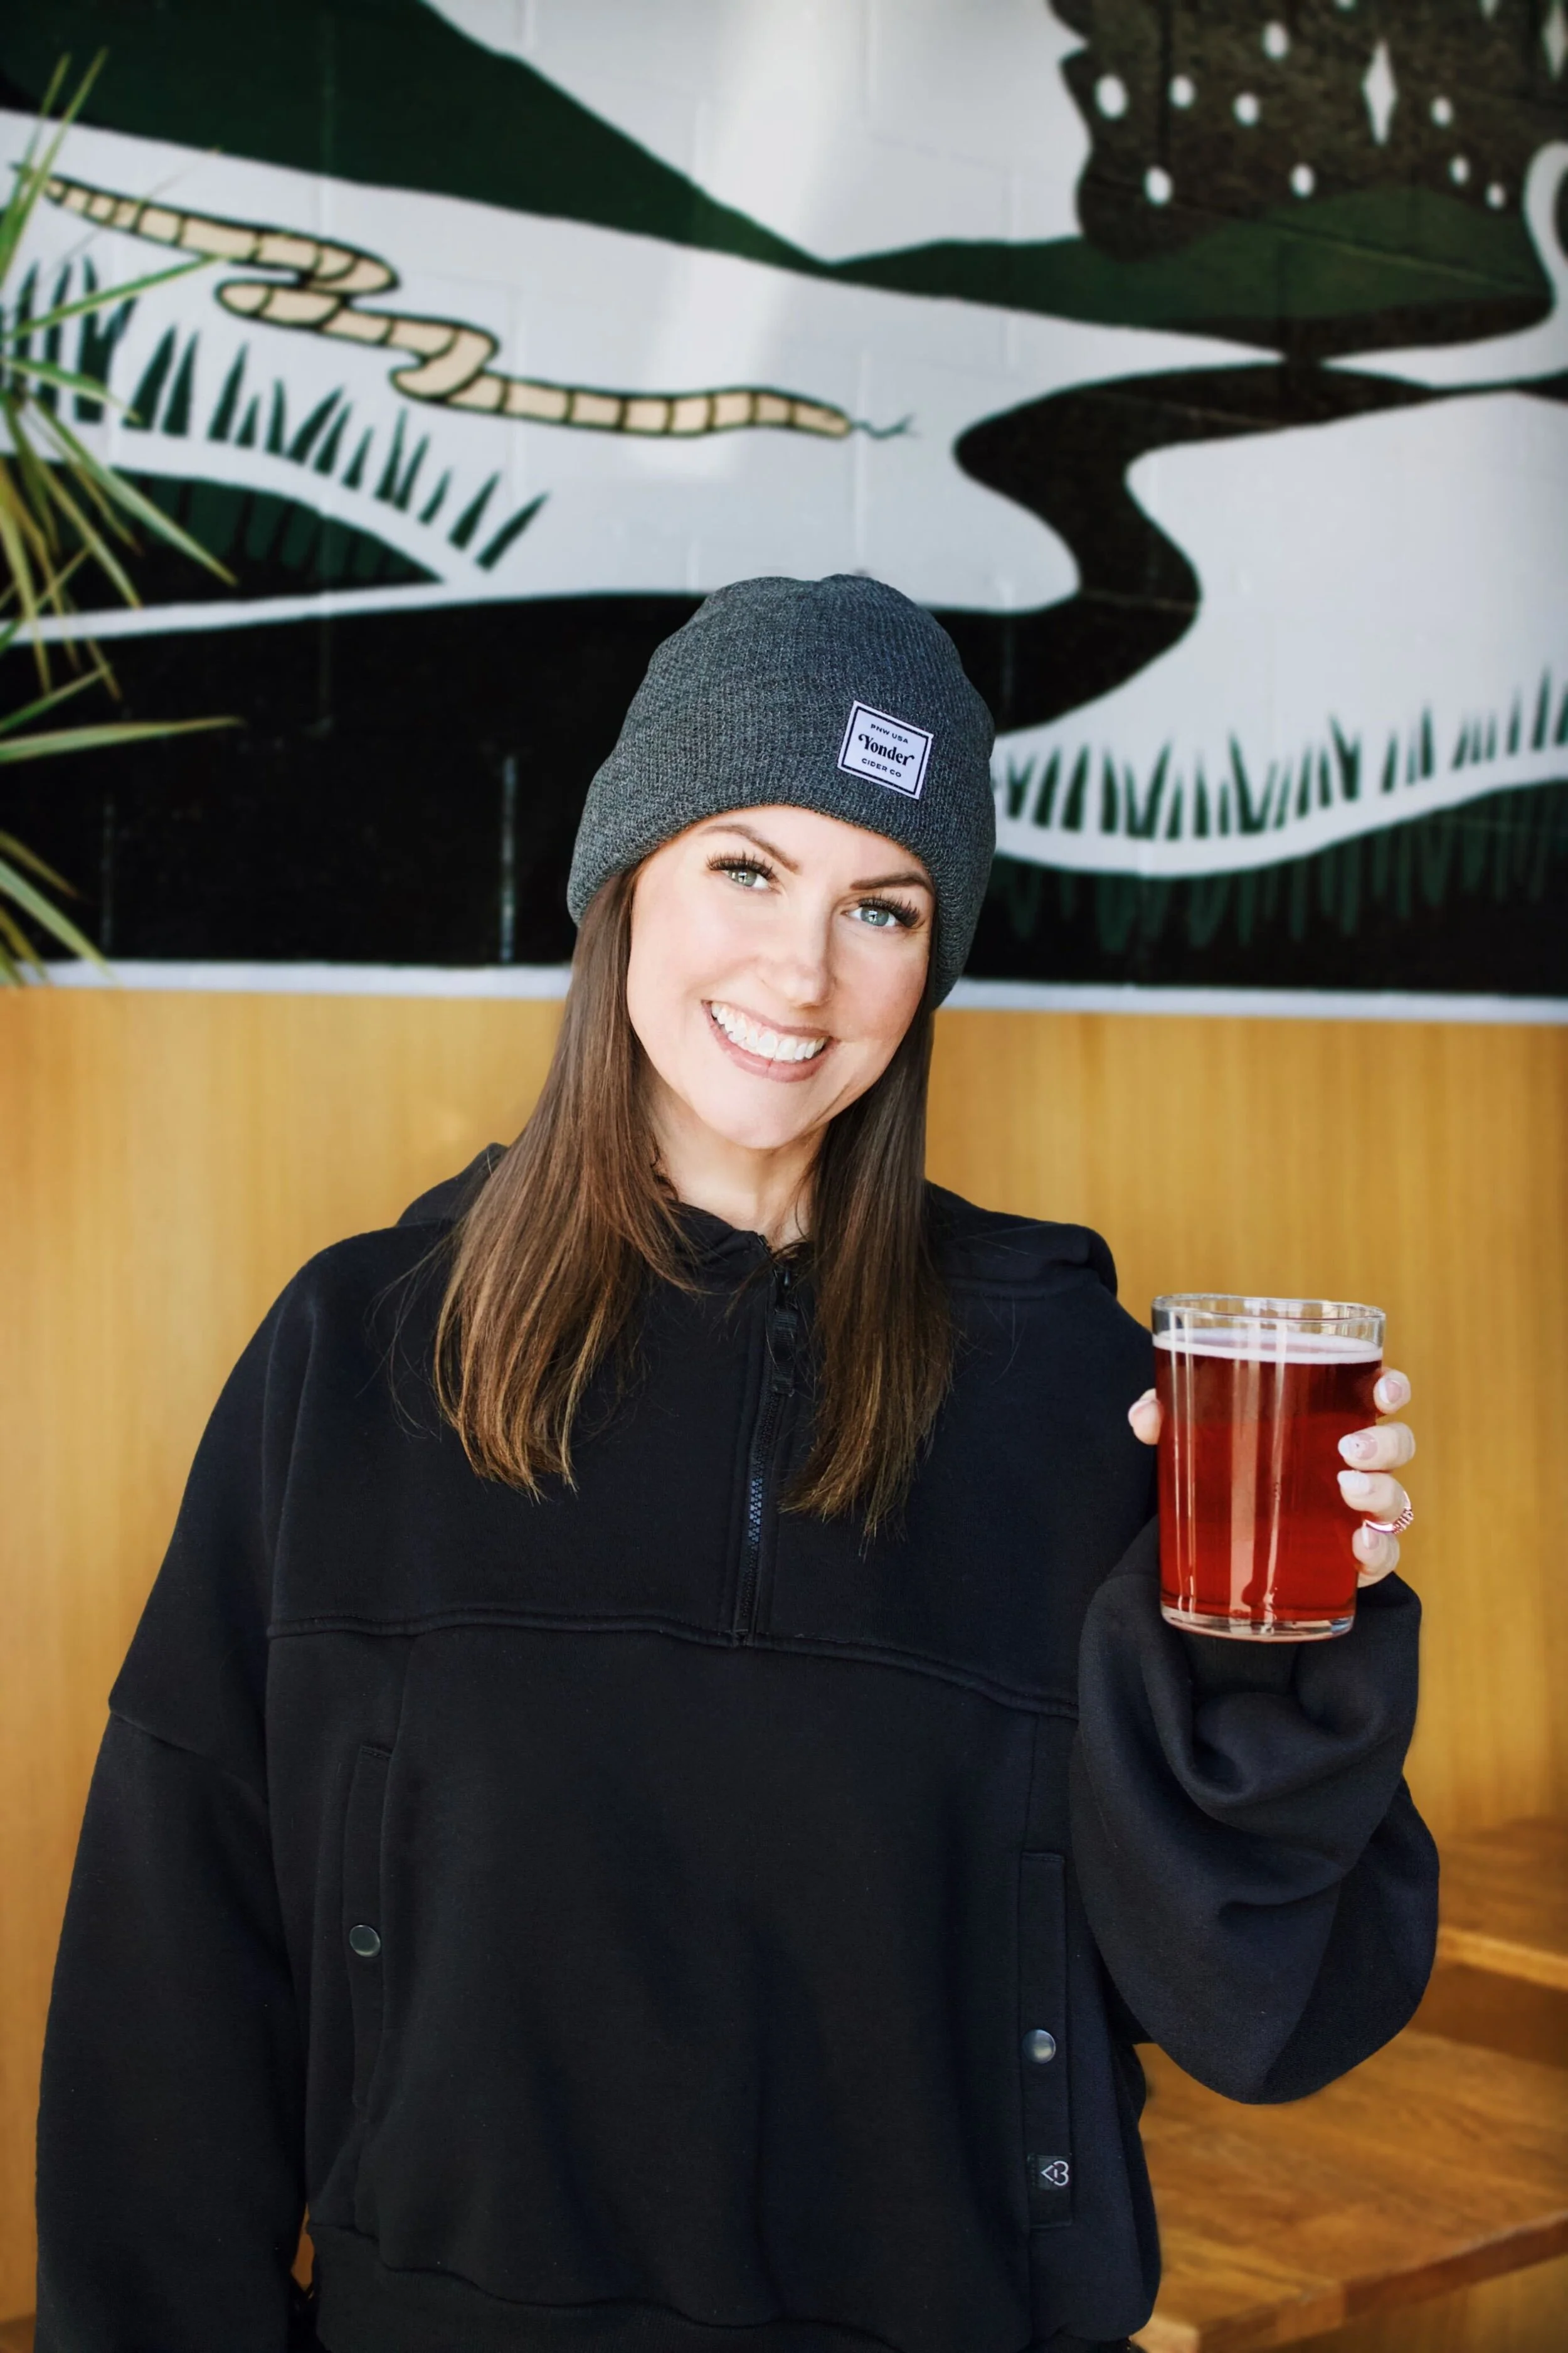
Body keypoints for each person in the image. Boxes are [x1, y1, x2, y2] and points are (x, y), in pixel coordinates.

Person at [34, 576, 1434, 2353]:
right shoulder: (358, 1357)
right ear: (624, 882)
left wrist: (1280, 1644)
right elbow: (170, 1988)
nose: (802, 969)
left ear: (930, 963)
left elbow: (1257, 2005)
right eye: (746, 867)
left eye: (882, 904)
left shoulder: (1073, 1387)